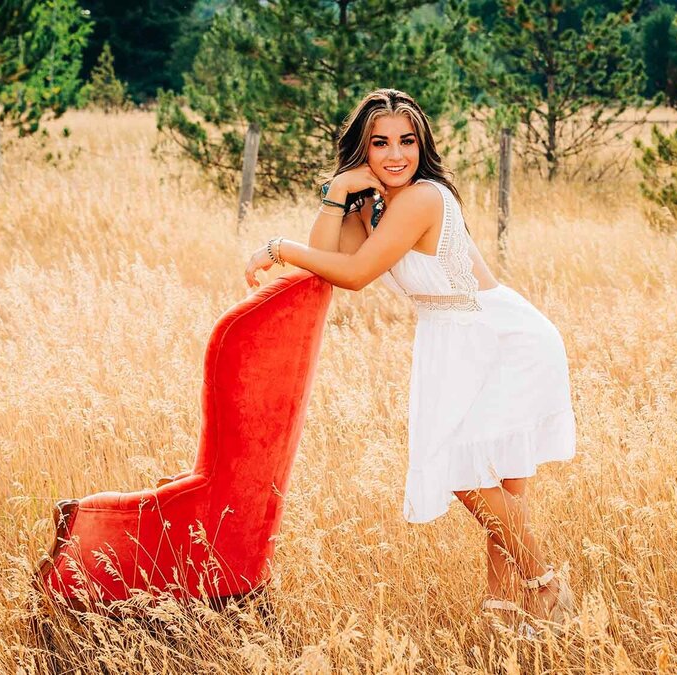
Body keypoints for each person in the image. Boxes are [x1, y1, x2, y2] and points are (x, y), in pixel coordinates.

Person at [243, 88, 578, 639]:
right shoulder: (372, 203)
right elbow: (326, 261)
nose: (395, 154)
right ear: (363, 149)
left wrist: (278, 246)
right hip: (455, 338)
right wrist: (336, 193)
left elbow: (351, 274)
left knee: (470, 475)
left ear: (422, 146)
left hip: (501, 338)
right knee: (497, 484)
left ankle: (546, 588)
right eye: (379, 143)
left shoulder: (423, 197)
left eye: (407, 141)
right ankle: (505, 617)